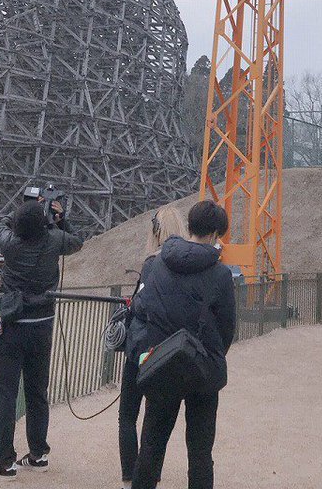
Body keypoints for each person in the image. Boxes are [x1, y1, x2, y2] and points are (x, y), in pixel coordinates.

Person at [128, 200, 236, 489]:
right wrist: (209, 354)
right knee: (200, 452)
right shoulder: (221, 274)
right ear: (215, 234)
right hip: (202, 370)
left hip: (162, 365)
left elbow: (145, 309)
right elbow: (228, 329)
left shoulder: (157, 263)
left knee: (151, 447)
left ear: (189, 226)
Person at [0, 197, 82, 479]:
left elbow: (2, 224)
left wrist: (24, 211)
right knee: (37, 392)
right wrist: (58, 218)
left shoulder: (10, 244)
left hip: (12, 326)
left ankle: (4, 463)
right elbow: (77, 241)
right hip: (42, 325)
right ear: (44, 225)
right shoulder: (54, 240)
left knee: (7, 395)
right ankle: (37, 454)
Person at [118, 205, 188, 489]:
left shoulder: (152, 264)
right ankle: (151, 475)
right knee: (157, 420)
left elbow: (143, 306)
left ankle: (129, 478)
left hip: (142, 349)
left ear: (157, 231)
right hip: (171, 351)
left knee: (127, 416)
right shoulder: (188, 264)